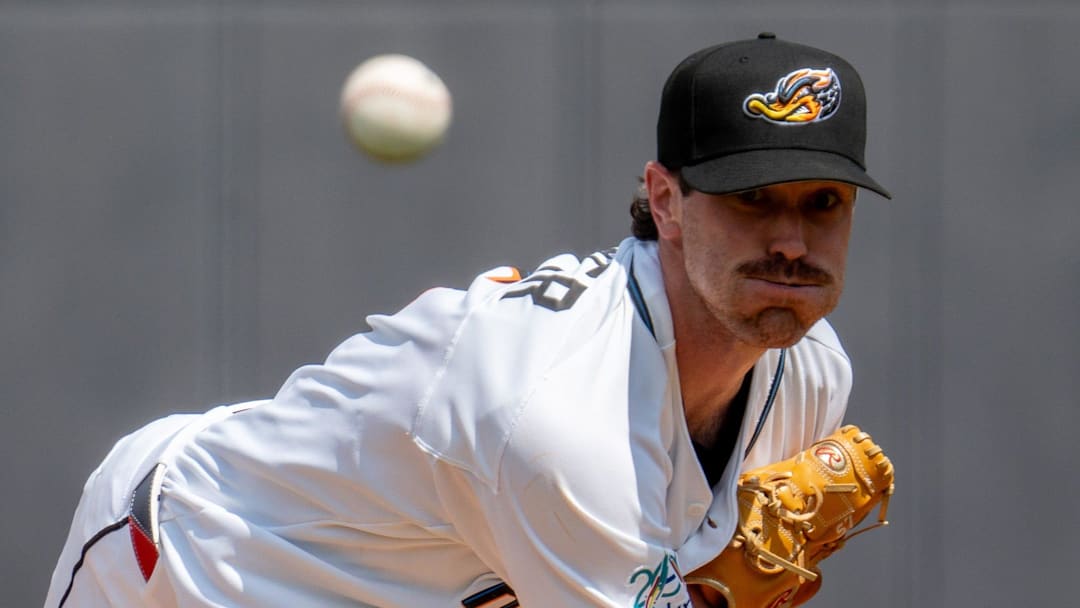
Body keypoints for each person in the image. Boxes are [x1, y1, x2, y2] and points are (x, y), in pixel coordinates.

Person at [45, 32, 890, 608]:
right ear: (667, 202)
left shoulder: (810, 370)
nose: (791, 239)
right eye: (751, 199)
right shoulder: (559, 415)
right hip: (198, 570)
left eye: (824, 202)